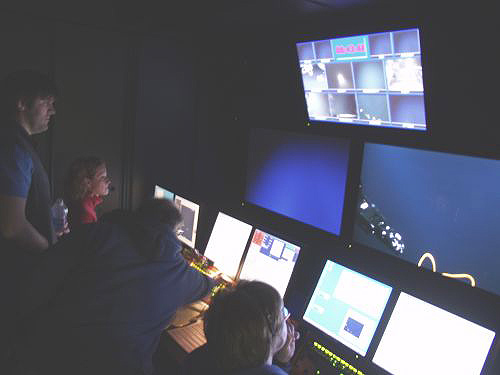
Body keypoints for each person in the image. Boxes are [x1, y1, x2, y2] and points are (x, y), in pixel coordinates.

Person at [10, 198, 216, 375]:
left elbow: (39, 278)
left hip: (51, 354)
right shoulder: (178, 272)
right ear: (174, 232)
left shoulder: (94, 234)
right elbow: (209, 286)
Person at [0, 69, 57, 368]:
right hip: (17, 281)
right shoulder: (14, 149)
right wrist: (50, 249)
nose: (53, 110)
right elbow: (11, 226)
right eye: (46, 101)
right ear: (21, 103)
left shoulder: (17, 146)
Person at [183, 280, 299, 375]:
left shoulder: (199, 358)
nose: (288, 323)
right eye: (284, 314)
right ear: (270, 334)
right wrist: (283, 365)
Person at [64, 156, 111, 229]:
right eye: (102, 177)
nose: (108, 181)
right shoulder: (86, 213)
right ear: (88, 183)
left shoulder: (84, 203)